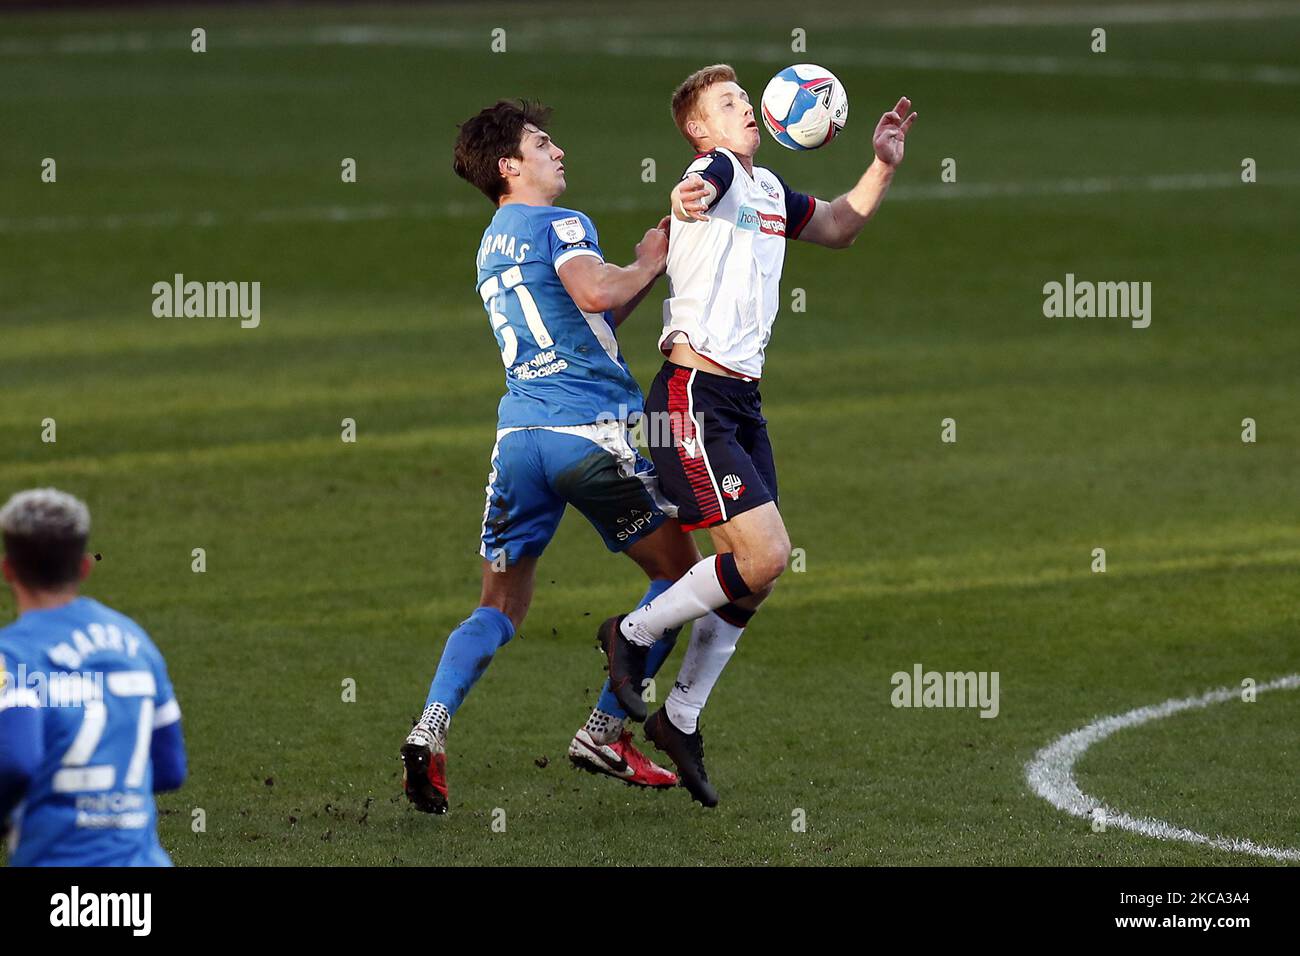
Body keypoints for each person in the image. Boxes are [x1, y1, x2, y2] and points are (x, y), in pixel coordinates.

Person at [599, 65, 917, 806]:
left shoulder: (769, 190)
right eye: (727, 104)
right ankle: (633, 633)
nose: (744, 108)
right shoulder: (712, 170)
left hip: (739, 400)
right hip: (689, 398)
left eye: (745, 98)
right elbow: (695, 191)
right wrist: (689, 196)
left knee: (759, 572)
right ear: (698, 131)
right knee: (766, 552)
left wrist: (880, 164)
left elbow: (838, 225)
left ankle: (679, 718)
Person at [400, 99, 702, 813]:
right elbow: (597, 288)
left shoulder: (492, 243)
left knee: (499, 605)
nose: (557, 150)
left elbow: (586, 319)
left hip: (518, 443)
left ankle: (430, 726)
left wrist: (635, 276)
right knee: (682, 577)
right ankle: (604, 728)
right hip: (587, 435)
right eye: (541, 143)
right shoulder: (560, 224)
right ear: (510, 166)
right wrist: (649, 260)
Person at [0, 488, 187, 866]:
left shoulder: (13, 654)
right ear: (85, 567)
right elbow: (170, 767)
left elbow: (16, 760)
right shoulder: (135, 642)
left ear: (8, 570)